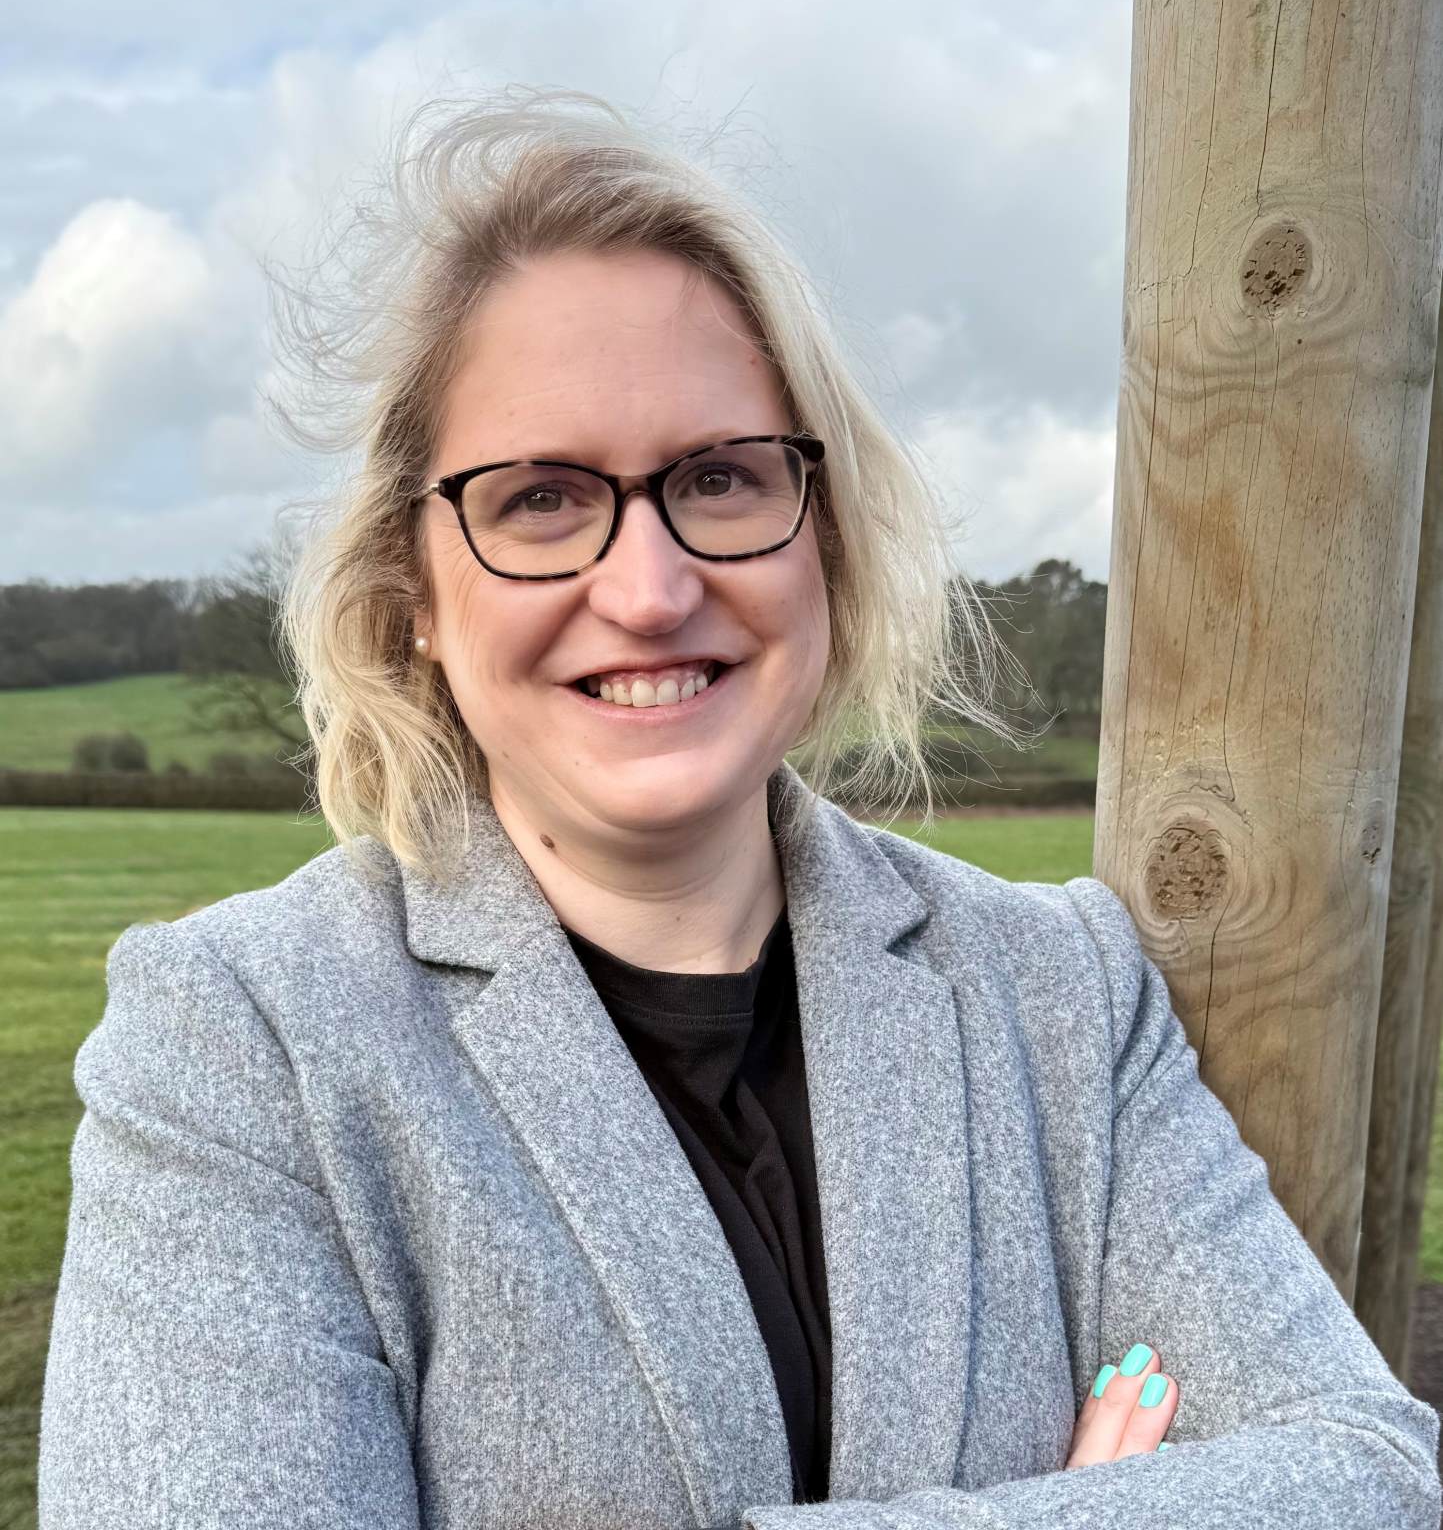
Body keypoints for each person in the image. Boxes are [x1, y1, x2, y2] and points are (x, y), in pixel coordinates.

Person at [37, 87, 1440, 1529]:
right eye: (541, 499)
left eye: (717, 478)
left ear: (823, 538)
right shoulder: (243, 1043)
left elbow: (1374, 1473)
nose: (649, 591)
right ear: (417, 594)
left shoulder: (1062, 998)